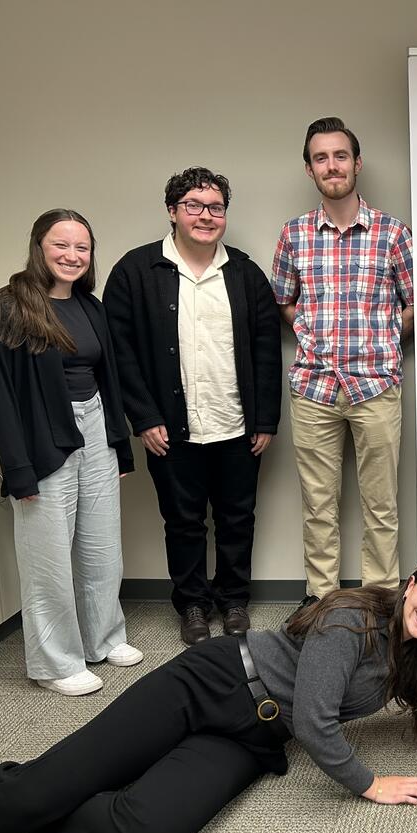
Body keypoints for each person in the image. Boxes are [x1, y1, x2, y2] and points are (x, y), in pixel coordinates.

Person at [0, 554, 417, 833]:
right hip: (209, 683)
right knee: (45, 788)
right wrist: (370, 784)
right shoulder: (352, 619)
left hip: (255, 734)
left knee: (148, 826)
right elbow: (315, 721)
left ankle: (48, 816)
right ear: (409, 585)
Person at [104, 167, 281, 645]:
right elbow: (120, 353)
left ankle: (234, 599)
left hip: (237, 425)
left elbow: (267, 350)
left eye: (216, 207)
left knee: (237, 520)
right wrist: (144, 417)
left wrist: (265, 419)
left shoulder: (245, 274)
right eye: (194, 206)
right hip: (169, 430)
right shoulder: (135, 272)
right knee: (182, 523)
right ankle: (194, 606)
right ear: (172, 212)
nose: (206, 216)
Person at [0, 209, 141, 696]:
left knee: (102, 547)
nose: (72, 255)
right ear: (39, 247)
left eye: (82, 247)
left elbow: (108, 379)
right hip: (42, 438)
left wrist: (119, 447)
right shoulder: (6, 308)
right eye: (60, 245)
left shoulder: (90, 306)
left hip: (96, 429)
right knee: (47, 558)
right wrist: (18, 470)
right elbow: (1, 397)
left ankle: (103, 638)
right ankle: (54, 664)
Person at [271, 116, 414, 610]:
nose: (331, 166)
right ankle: (320, 600)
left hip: (376, 387)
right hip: (314, 390)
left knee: (381, 506)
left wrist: (384, 339)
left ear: (357, 163)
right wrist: (313, 337)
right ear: (309, 169)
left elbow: (415, 302)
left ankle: (380, 602)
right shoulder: (293, 235)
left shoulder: (393, 234)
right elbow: (284, 301)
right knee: (318, 506)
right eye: (321, 158)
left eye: (340, 156)